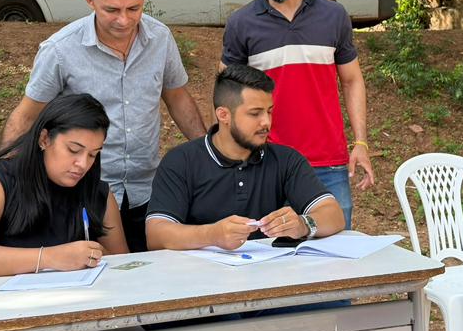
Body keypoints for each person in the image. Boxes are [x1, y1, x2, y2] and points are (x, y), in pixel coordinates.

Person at [0, 0, 207, 252]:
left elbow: (178, 98)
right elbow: (27, 116)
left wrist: (211, 154)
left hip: (146, 189)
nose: (124, 20)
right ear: (89, 0)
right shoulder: (60, 50)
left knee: (144, 271)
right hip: (83, 192)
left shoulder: (160, 38)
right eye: (111, 10)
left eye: (133, 9)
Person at [220, 0, 374, 228]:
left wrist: (361, 142)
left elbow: (352, 80)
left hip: (328, 163)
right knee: (270, 251)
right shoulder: (241, 24)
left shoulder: (333, 16)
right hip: (266, 164)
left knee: (336, 251)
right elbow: (227, 95)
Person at [146, 64, 346, 251]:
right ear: (223, 115)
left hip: (269, 271)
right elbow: (156, 234)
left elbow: (333, 214)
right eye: (255, 113)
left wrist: (303, 224)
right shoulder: (181, 162)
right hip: (200, 274)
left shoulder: (286, 160)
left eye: (269, 111)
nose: (266, 122)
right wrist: (212, 235)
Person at [0, 93, 128, 277]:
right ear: (44, 139)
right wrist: (50, 257)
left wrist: (99, 254)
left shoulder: (98, 194)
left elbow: (125, 267)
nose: (83, 164)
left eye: (92, 155)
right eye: (73, 150)